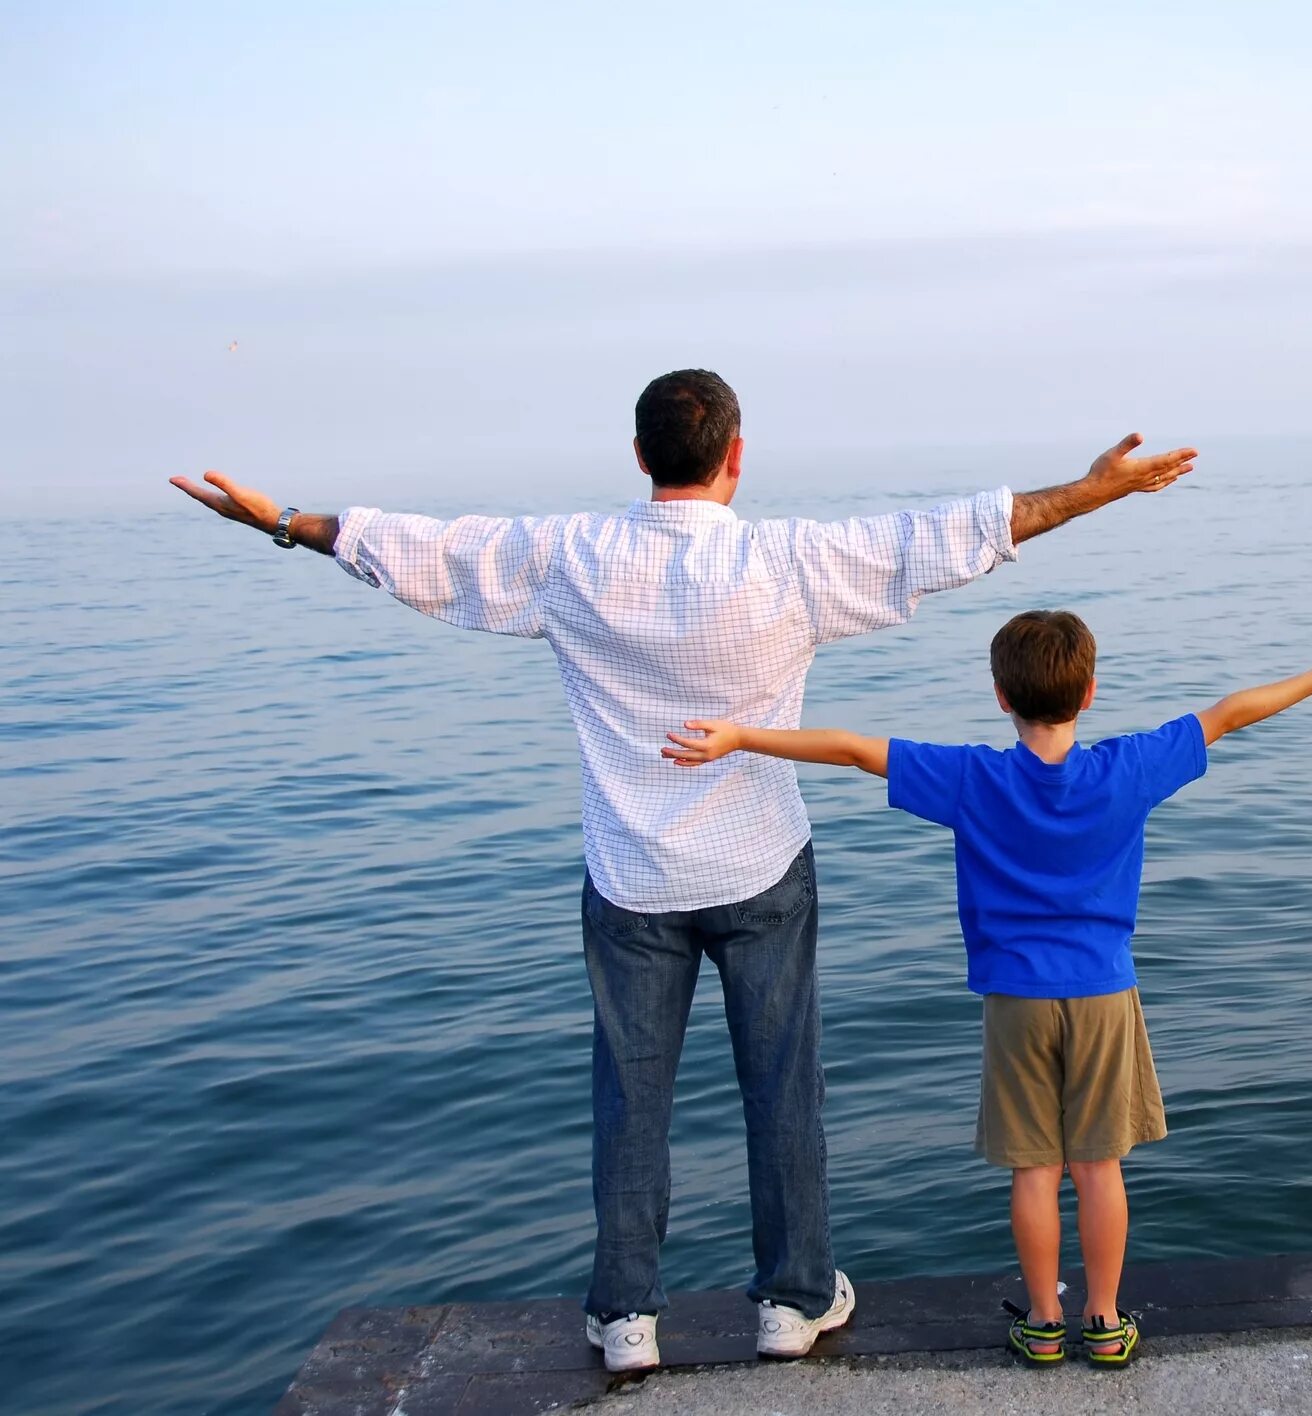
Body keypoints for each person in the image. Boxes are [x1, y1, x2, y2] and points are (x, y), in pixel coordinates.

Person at [169, 370, 1198, 1372]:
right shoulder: (787, 564)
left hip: (630, 880)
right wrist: (1097, 490)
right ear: (735, 458)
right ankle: (793, 1302)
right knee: (781, 1090)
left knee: (631, 1098)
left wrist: (287, 522)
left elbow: (429, 551)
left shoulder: (570, 555)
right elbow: (951, 536)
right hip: (760, 868)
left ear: (639, 454)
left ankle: (626, 1317)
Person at [661, 610, 1312, 1366]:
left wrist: (741, 737)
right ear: (1091, 692)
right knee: (1099, 1167)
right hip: (1104, 994)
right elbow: (1230, 713)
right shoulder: (1128, 769)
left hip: (1014, 1001)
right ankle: (1103, 1323)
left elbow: (850, 750)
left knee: (1035, 1168)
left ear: (1001, 696)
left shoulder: (974, 779)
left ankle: (1043, 1322)